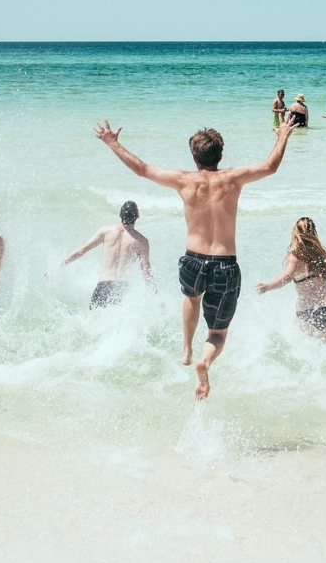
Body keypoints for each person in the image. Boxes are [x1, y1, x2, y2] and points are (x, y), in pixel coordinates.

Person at [95, 115, 297, 399]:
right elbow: (270, 166)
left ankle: (186, 348)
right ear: (220, 154)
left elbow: (140, 168)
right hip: (225, 264)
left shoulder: (184, 180)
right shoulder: (233, 178)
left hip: (192, 261)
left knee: (192, 299)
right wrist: (283, 135)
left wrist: (112, 143)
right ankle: (205, 361)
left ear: (194, 155)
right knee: (217, 334)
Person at [51, 200, 154, 307]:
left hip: (103, 286)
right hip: (122, 288)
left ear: (120, 215)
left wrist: (58, 266)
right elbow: (145, 269)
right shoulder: (142, 241)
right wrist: (154, 293)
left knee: (92, 321)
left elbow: (83, 249)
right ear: (137, 217)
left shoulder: (106, 231)